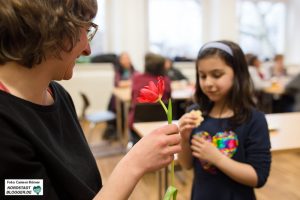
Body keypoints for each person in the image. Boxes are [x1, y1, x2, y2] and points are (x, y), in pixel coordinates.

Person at [0, 1, 181, 199]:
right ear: (51, 32)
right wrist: (134, 164)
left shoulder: (58, 94)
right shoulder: (5, 127)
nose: (88, 49)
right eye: (85, 30)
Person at [178, 40, 271, 200]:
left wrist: (217, 158)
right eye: (202, 76)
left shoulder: (254, 119)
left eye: (217, 75)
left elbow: (258, 177)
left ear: (237, 74)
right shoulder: (195, 112)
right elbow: (186, 165)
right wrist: (184, 140)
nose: (207, 83)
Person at [128, 53, 172, 146]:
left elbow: (132, 98)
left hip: (137, 124)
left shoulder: (136, 78)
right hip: (161, 124)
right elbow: (169, 99)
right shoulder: (165, 81)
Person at [103, 52, 137, 140]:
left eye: (128, 58)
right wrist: (130, 82)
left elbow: (137, 80)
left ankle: (129, 133)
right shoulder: (118, 71)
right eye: (124, 58)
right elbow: (118, 83)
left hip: (128, 97)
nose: (127, 60)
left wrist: (126, 83)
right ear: (120, 61)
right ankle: (119, 132)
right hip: (117, 100)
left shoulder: (133, 70)